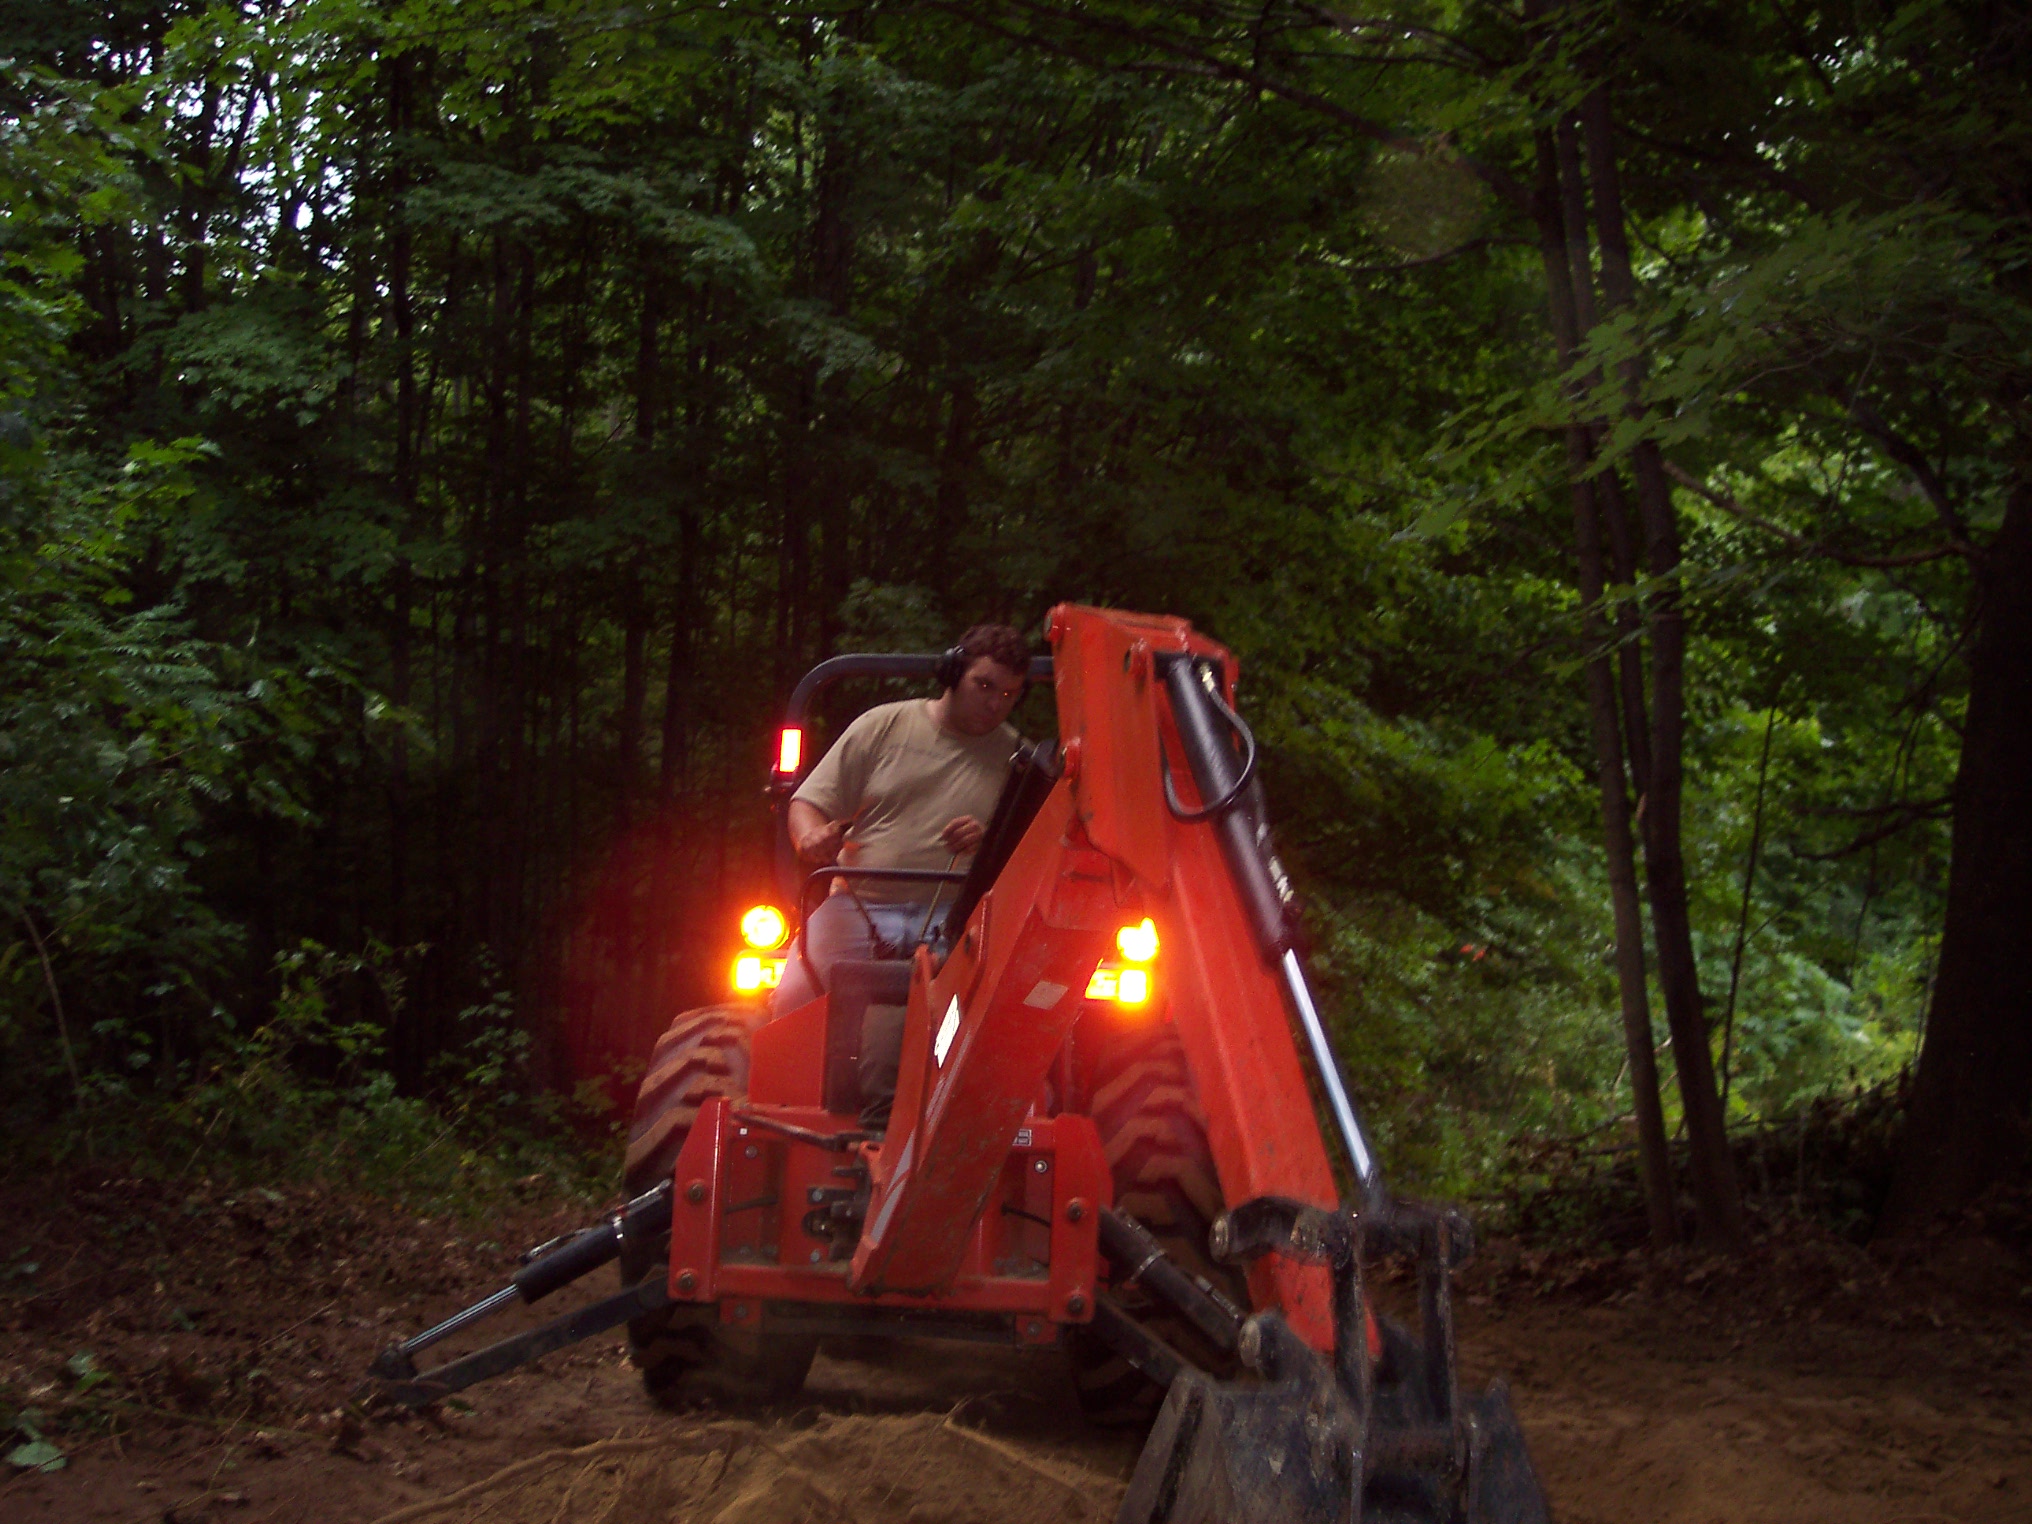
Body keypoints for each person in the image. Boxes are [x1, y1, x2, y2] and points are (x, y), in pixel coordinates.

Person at [773, 624, 1030, 1119]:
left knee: (1008, 1018)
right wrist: (810, 838)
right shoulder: (884, 727)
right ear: (953, 672)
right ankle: (784, 1114)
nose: (994, 703)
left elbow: (1030, 848)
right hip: (860, 905)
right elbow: (808, 803)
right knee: (793, 1002)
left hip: (960, 917)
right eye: (984, 685)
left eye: (1008, 694)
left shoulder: (1017, 759)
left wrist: (989, 840)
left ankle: (974, 1118)